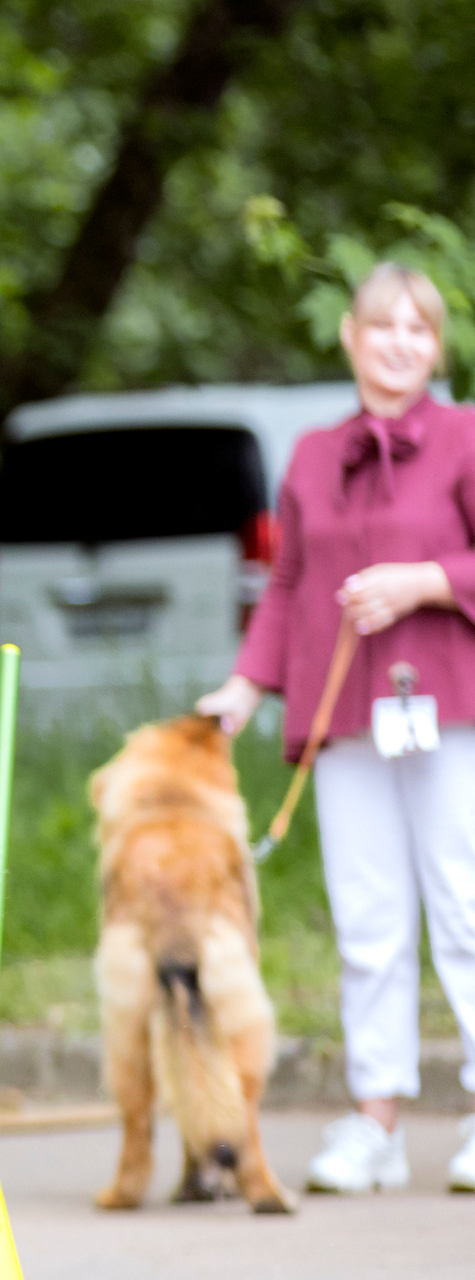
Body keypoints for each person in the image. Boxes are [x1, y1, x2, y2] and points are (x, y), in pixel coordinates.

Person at [198, 262, 475, 1196]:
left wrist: (424, 581)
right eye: (383, 326)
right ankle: (376, 1122)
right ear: (351, 336)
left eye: (419, 330)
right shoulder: (313, 455)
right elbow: (286, 586)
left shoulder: (465, 436)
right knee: (369, 923)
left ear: (435, 348)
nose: (400, 343)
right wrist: (243, 688)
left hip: (451, 705)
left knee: (466, 908)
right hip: (348, 717)